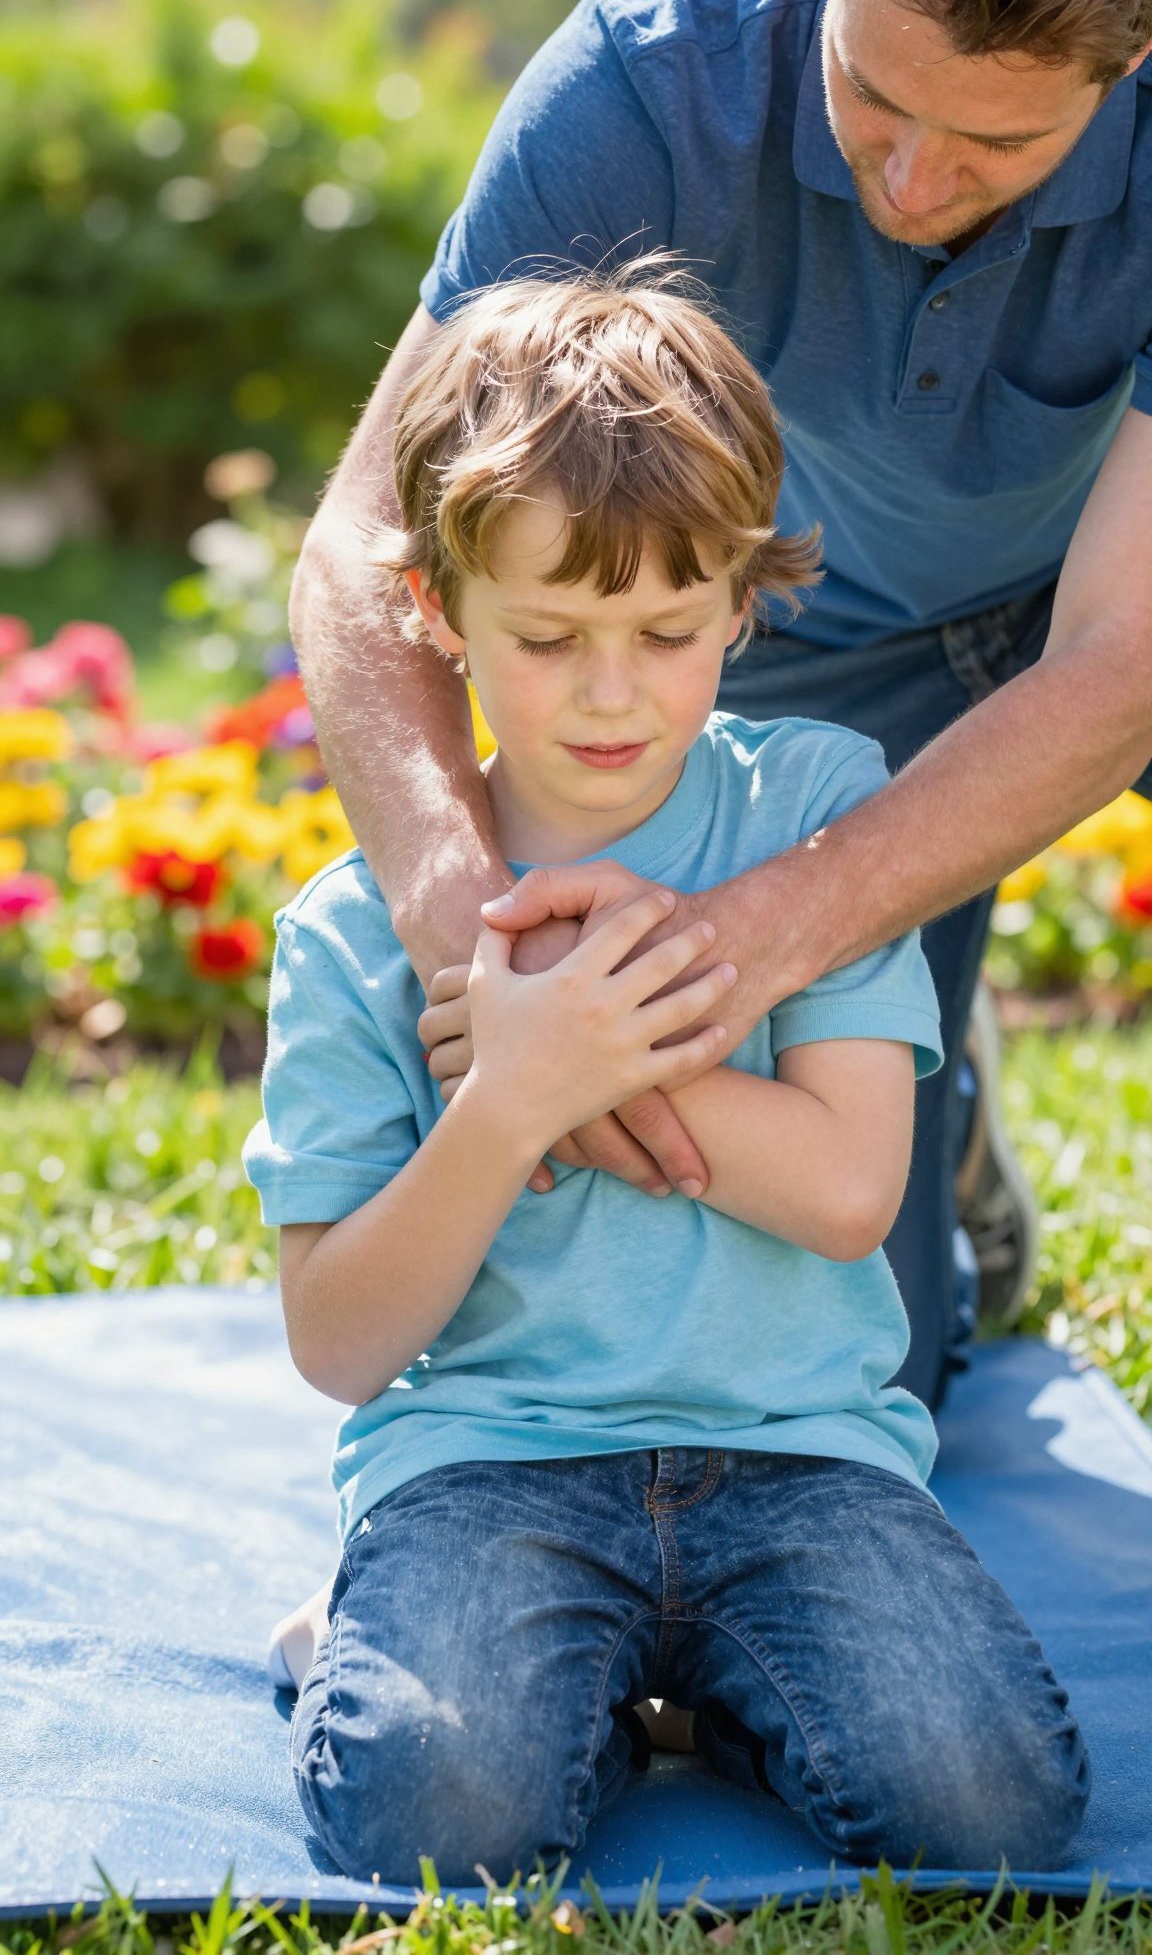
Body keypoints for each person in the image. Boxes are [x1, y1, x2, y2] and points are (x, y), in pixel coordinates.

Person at [242, 263, 1090, 1886]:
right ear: (439, 613)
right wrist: (504, 1100)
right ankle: (410, 1631)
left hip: (802, 1458)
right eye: (549, 637)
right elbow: (343, 1341)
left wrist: (585, 1038)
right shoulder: (353, 930)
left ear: (745, 601)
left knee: (991, 1803)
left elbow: (848, 1198)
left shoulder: (818, 810)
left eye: (669, 629)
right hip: (492, 1463)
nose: (615, 691)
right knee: (436, 1813)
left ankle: (685, 1697)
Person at [287, 0, 1152, 1419]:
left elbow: (1122, 655)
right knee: (878, 1370)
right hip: (835, 622)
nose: (913, 181)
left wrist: (776, 936)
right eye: (873, 98)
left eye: (997, 145)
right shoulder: (650, 75)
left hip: (1117, 597)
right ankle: (936, 1114)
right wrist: (485, 966)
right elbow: (367, 544)